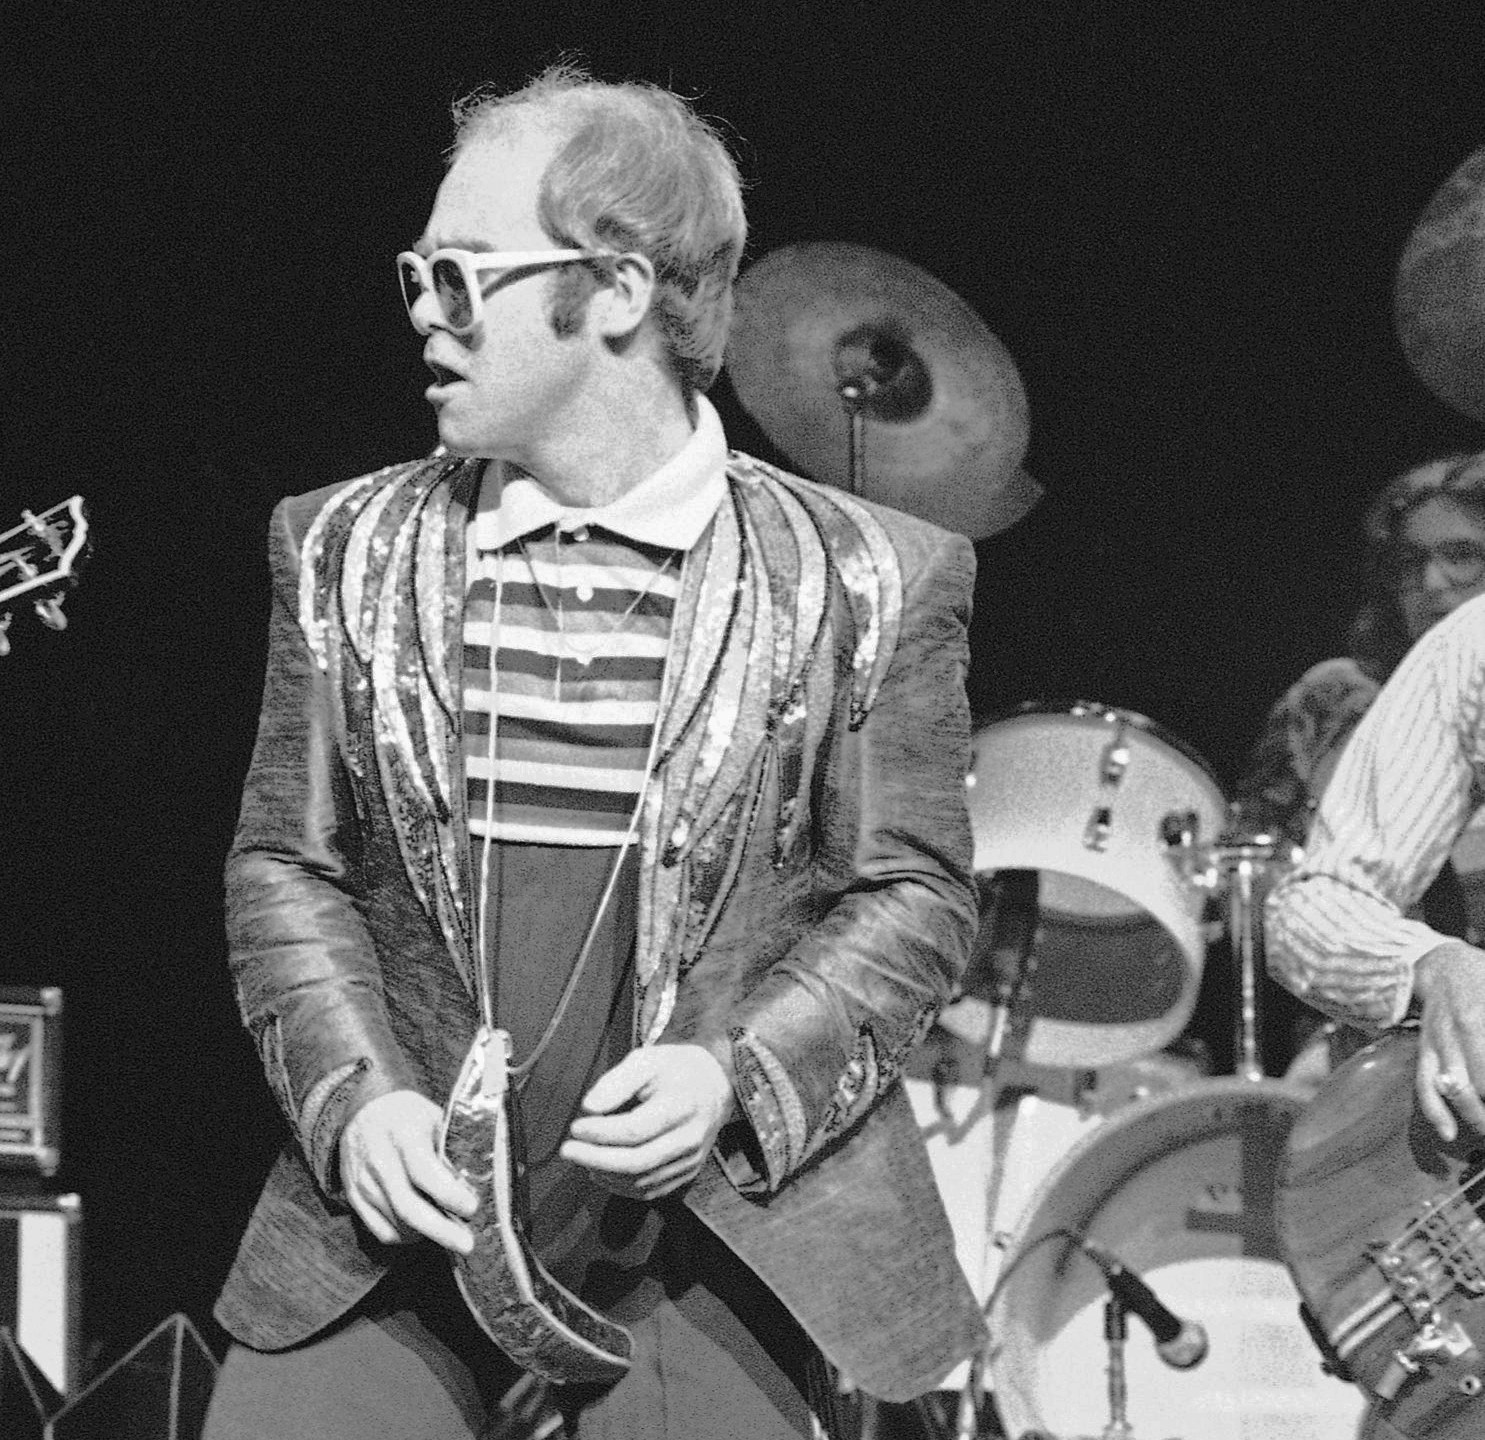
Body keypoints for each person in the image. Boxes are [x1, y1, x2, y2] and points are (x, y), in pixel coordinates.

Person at [209, 64, 985, 1439]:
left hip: (707, 1243)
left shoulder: (871, 576)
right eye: (417, 276)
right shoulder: (341, 548)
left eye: (464, 280)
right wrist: (357, 1105)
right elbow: (287, 868)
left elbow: (915, 899)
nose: (425, 322)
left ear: (618, 291)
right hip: (402, 1245)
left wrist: (735, 1074)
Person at [1239, 454, 1485, 1076]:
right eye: (1409, 564)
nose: (1432, 584)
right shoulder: (1334, 695)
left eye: (1460, 554)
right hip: (1377, 1018)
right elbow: (1250, 851)